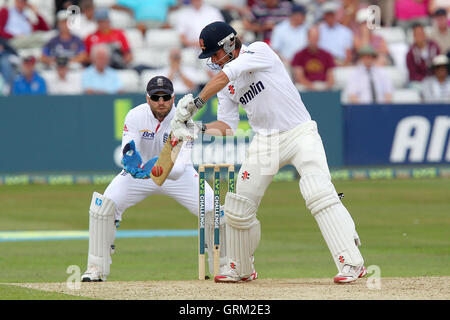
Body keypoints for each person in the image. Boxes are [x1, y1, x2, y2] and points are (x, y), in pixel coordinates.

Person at [170, 21, 367, 283]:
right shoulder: (226, 85)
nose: (214, 62)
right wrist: (197, 128)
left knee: (318, 191)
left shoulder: (259, 51)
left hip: (299, 133)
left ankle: (351, 263)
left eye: (215, 54)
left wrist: (195, 103)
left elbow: (225, 75)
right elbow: (227, 128)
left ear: (230, 44)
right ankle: (240, 267)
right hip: (265, 143)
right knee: (239, 206)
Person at [81, 76, 226, 281]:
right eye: (155, 97)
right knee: (104, 206)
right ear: (147, 98)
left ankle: (223, 267)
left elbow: (177, 169)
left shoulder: (185, 121)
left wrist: (156, 166)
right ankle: (96, 269)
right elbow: (129, 148)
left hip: (179, 176)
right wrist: (131, 160)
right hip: (141, 174)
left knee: (213, 209)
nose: (161, 102)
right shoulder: (135, 116)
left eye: (165, 97)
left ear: (173, 98)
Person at [291, 26, 335, 91]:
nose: (314, 40)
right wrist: (312, 87)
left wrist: (325, 87)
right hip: (305, 88)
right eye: (312, 37)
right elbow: (299, 77)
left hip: (323, 86)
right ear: (308, 38)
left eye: (316, 37)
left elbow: (331, 76)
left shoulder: (327, 55)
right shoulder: (299, 55)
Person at [318, 1, 354, 66]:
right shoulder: (318, 30)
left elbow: (348, 54)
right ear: (324, 16)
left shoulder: (345, 31)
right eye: (328, 14)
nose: (330, 17)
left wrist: (343, 65)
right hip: (322, 62)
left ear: (335, 15)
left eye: (331, 14)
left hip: (340, 62)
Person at [112, 0, 177, 35]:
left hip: (161, 23)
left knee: (169, 30)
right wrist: (130, 11)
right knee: (139, 29)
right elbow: (116, 4)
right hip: (142, 24)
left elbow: (176, 4)